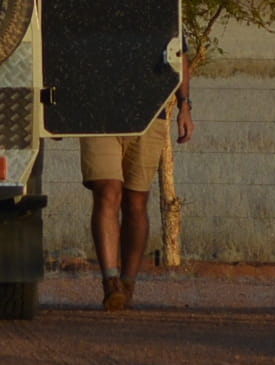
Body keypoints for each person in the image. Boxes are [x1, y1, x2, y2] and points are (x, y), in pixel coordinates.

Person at [83, 52, 194, 311]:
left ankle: (128, 284)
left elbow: (179, 53)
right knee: (107, 192)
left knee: (135, 201)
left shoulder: (160, 20)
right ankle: (110, 282)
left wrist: (184, 106)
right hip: (96, 114)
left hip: (149, 114)